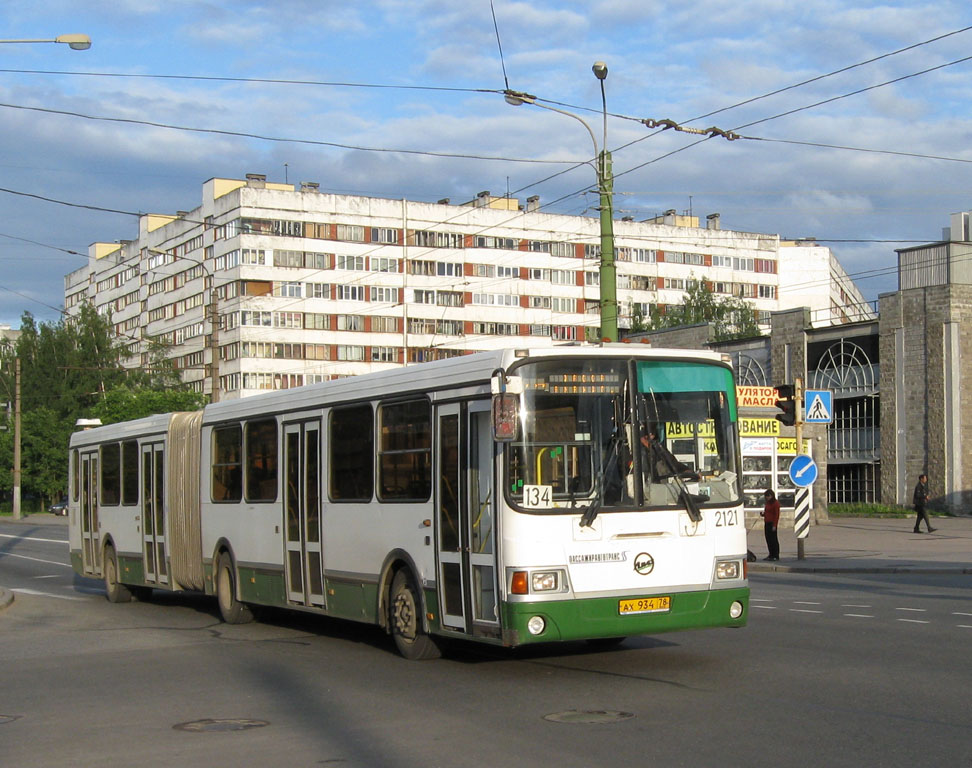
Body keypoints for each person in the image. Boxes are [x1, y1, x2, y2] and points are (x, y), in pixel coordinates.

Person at [760, 488, 781, 560]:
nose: (767, 498)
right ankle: (771, 554)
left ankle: (776, 555)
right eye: (766, 496)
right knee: (768, 539)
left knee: (773, 540)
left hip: (772, 523)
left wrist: (774, 525)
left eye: (768, 496)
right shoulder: (767, 503)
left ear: (772, 496)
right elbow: (767, 512)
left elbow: (776, 515)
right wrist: (763, 514)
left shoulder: (776, 503)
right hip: (767, 522)